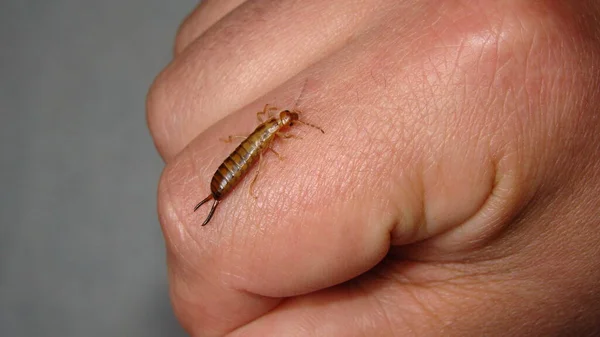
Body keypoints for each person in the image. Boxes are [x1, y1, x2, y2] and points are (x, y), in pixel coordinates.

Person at [146, 1, 600, 335]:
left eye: (286, 121)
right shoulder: (271, 136)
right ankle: (213, 200)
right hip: (236, 164)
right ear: (278, 122)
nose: (288, 122)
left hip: (238, 160)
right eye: (286, 119)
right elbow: (258, 152)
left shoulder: (272, 130)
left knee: (248, 167)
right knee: (250, 167)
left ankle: (211, 201)